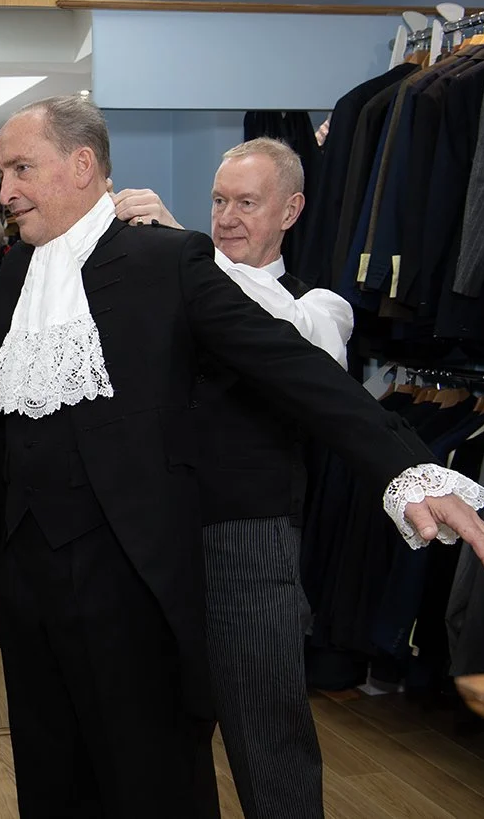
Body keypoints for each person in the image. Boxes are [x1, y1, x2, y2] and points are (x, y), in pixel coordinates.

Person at [0, 95, 484, 818]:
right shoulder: (19, 274)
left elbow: (295, 366)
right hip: (23, 582)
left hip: (131, 582)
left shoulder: (168, 260)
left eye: (20, 168)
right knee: (48, 773)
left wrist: (405, 467)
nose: (4, 192)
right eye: (3, 172)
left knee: (149, 778)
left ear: (82, 165)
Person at [112, 138, 350, 818]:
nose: (227, 216)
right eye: (218, 201)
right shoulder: (180, 289)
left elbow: (301, 349)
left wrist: (192, 251)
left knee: (268, 736)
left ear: (291, 209)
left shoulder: (321, 305)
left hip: (251, 542)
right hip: (162, 540)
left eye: (247, 202)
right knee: (164, 735)